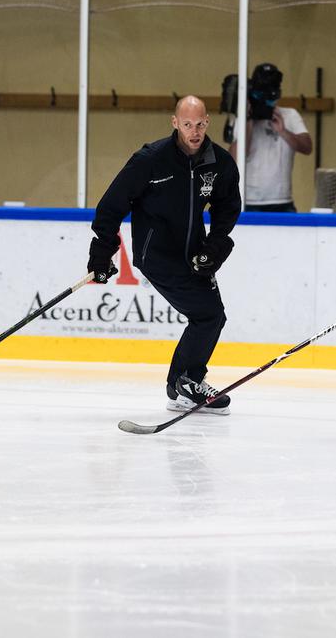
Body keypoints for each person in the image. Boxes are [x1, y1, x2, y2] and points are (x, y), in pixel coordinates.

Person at [88, 96, 242, 414]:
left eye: (199, 124)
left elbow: (228, 207)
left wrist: (214, 246)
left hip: (194, 254)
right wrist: (103, 251)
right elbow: (112, 205)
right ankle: (186, 382)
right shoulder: (151, 159)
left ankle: (182, 384)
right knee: (208, 314)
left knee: (210, 316)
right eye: (187, 124)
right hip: (155, 253)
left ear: (207, 122)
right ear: (175, 123)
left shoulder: (220, 163)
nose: (194, 131)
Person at [229, 63, 312, 212]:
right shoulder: (243, 118)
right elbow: (235, 157)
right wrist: (249, 120)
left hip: (283, 200)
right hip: (250, 201)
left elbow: (307, 147)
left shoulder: (290, 115)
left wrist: (283, 131)